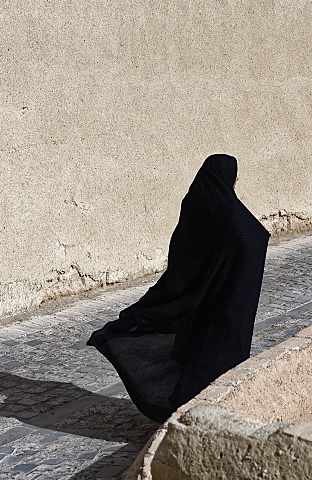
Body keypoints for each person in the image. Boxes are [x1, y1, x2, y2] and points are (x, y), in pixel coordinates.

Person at [87, 154, 270, 422]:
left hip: (204, 295)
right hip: (222, 302)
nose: (237, 180)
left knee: (202, 354)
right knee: (213, 358)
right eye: (234, 174)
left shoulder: (200, 202)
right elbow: (252, 239)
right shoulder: (230, 212)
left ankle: (194, 409)